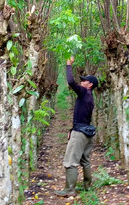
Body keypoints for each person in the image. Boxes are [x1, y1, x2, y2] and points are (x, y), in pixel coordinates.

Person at [55, 56, 99, 197]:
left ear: (90, 85)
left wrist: (68, 65)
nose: (82, 81)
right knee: (85, 160)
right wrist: (72, 129)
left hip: (80, 133)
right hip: (86, 132)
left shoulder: (84, 92)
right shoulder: (90, 97)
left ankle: (70, 189)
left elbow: (70, 81)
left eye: (84, 80)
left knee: (70, 161)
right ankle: (87, 186)